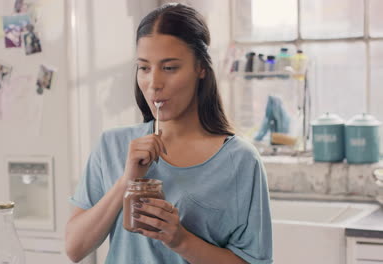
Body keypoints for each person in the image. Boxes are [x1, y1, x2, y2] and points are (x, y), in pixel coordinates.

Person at [65, 3, 273, 264]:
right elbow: (75, 248)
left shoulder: (240, 160)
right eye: (144, 68)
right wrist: (127, 180)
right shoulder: (111, 145)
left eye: (170, 68)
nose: (154, 84)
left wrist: (181, 240)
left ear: (201, 68)